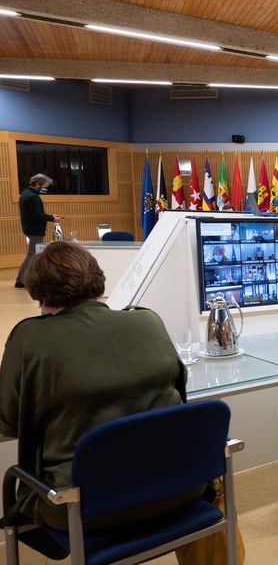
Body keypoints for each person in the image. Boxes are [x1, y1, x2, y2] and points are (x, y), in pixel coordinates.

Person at [0, 242, 187, 535]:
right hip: (181, 487)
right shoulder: (148, 320)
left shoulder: (31, 337)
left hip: (80, 506)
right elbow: (180, 397)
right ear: (97, 280)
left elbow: (9, 422)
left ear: (38, 290)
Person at [15, 174, 62, 289]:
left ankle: (25, 279)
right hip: (34, 229)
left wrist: (50, 216)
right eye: (45, 186)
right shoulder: (33, 197)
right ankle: (21, 280)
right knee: (33, 254)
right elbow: (37, 215)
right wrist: (52, 218)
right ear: (37, 184)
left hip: (29, 228)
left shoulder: (25, 194)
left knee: (33, 253)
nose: (46, 189)